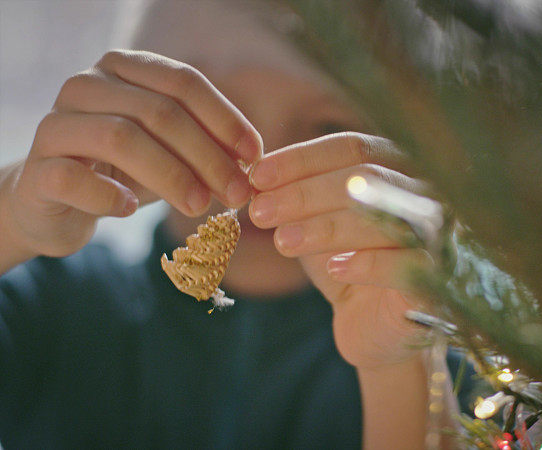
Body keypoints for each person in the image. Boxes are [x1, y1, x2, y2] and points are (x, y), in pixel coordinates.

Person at [0, 1, 467, 448]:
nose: (262, 170)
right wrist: (11, 219)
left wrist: (398, 372)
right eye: (214, 127)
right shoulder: (54, 304)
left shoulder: (443, 368)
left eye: (327, 132)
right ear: (140, 128)